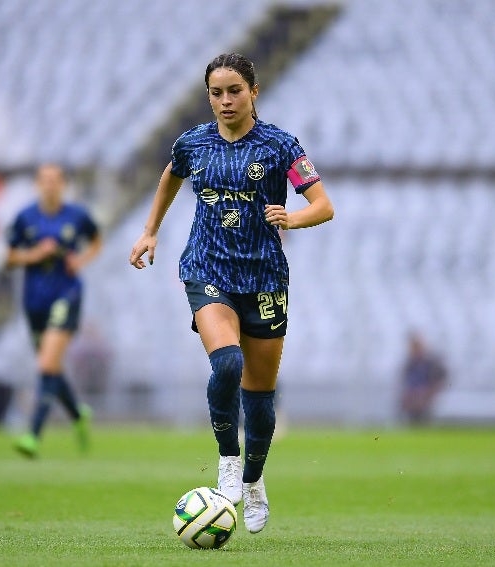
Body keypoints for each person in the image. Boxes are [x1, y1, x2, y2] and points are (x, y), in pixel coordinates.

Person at [128, 53, 333, 533]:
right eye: (216, 93)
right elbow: (171, 175)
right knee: (227, 364)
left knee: (259, 395)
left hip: (263, 277)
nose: (225, 100)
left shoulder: (280, 146)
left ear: (253, 92)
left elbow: (323, 205)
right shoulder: (193, 143)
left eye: (234, 91)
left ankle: (254, 481)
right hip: (208, 269)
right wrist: (150, 231)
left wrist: (292, 218)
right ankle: (227, 461)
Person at [6, 163, 103, 458]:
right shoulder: (25, 218)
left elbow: (96, 240)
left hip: (66, 294)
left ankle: (33, 435)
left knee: (47, 364)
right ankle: (77, 413)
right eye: (45, 180)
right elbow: (10, 258)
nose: (50, 185)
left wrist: (81, 261)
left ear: (63, 185)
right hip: (35, 300)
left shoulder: (77, 216)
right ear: (37, 184)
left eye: (55, 180)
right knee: (51, 367)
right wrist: (36, 254)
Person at [399, 332, 447, 425]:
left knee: (425, 423)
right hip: (412, 401)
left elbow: (440, 380)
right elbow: (406, 383)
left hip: (426, 401)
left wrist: (428, 394)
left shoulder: (430, 364)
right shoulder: (409, 365)